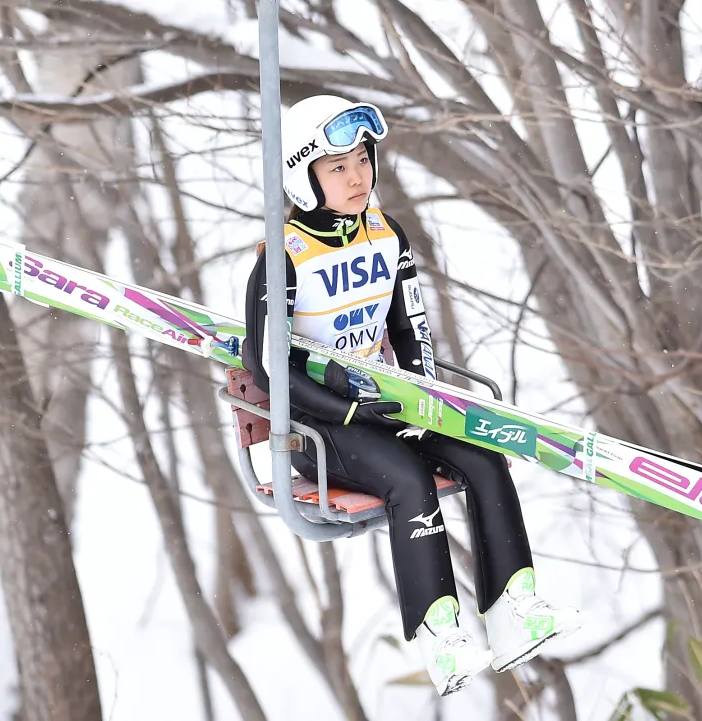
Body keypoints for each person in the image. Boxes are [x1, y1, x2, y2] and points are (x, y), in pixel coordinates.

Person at [243, 95, 582, 696]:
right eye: (338, 167)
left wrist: (425, 400)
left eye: (363, 160)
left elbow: (410, 329)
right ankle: (440, 637)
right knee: (407, 477)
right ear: (305, 176)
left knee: (481, 456)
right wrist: (348, 409)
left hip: (386, 404)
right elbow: (267, 368)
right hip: (319, 428)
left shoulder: (386, 233)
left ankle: (512, 609)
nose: (358, 177)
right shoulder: (284, 257)